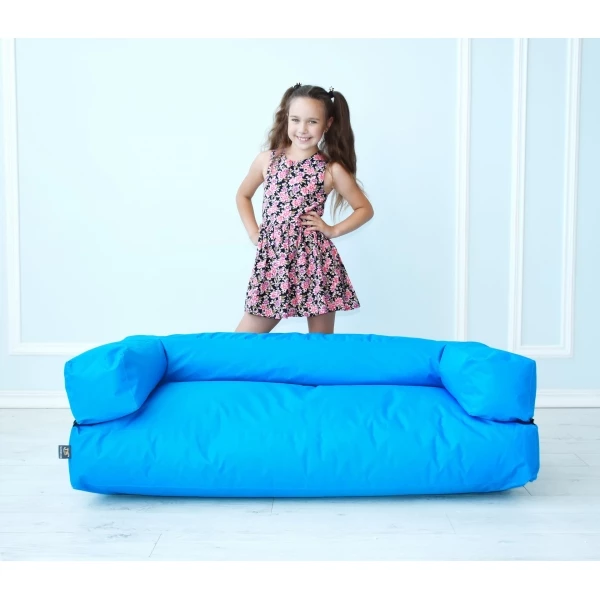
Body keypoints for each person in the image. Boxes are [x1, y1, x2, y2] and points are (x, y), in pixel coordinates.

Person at [234, 83, 374, 334]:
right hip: (275, 262)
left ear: (327, 124)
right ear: (286, 118)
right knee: (243, 339)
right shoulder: (267, 160)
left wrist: (333, 230)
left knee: (320, 346)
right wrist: (254, 233)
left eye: (312, 122)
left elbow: (364, 208)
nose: (302, 129)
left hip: (315, 264)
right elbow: (243, 195)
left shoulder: (330, 169)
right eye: (296, 120)